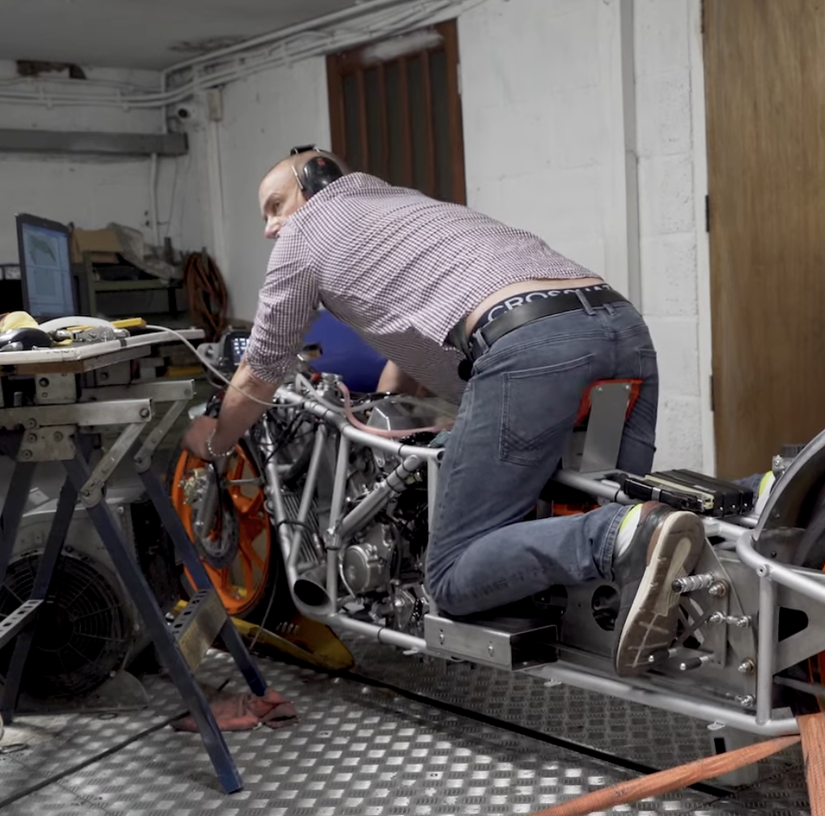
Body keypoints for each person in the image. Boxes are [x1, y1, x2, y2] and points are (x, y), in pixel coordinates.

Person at [181, 146, 707, 676]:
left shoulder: (307, 231)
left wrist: (217, 440)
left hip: (530, 344)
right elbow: (423, 316)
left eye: (275, 205)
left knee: (454, 573)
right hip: (619, 328)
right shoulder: (404, 206)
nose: (271, 227)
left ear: (314, 183)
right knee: (623, 510)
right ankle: (735, 513)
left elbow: (260, 370)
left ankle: (620, 534)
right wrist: (392, 393)